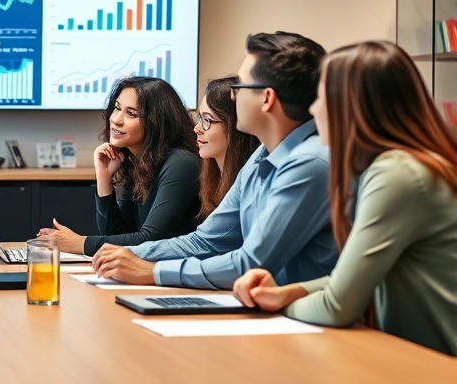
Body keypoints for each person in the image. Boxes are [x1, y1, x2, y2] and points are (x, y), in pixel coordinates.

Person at [233, 41, 457, 356]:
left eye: (321, 98)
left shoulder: (398, 174)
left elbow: (338, 306)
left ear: (349, 104)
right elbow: (348, 281)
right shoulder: (396, 166)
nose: (312, 109)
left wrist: (272, 308)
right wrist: (285, 293)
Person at [92, 32, 338, 289]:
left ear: (267, 98)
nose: (233, 97)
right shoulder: (261, 157)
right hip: (269, 311)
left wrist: (152, 272)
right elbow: (206, 241)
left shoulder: (309, 163)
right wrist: (122, 255)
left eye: (239, 87)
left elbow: (250, 264)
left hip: (304, 321)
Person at [37, 77, 201, 255]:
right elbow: (117, 234)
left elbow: (150, 239)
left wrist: (79, 243)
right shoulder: (139, 162)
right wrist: (103, 177)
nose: (116, 120)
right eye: (117, 108)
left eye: (131, 114)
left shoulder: (181, 162)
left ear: (156, 122)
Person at [195, 76, 261, 220]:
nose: (197, 128)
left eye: (207, 120)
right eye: (200, 118)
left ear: (235, 126)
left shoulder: (253, 183)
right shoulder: (212, 176)